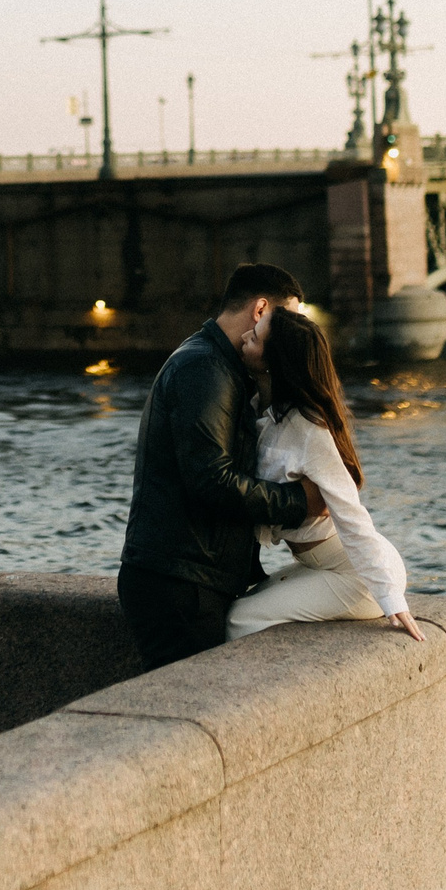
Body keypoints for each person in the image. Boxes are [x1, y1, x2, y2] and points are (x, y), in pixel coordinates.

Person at [118, 263, 326, 667]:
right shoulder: (205, 369)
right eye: (290, 319)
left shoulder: (216, 364)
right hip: (181, 583)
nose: (291, 334)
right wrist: (300, 502)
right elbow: (211, 478)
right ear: (261, 310)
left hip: (187, 577)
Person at [226, 306, 423, 643]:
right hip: (320, 565)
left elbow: (351, 513)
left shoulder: (308, 427)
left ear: (275, 359)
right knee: (242, 602)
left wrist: (390, 599)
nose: (245, 336)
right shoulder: (264, 410)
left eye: (256, 337)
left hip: (355, 575)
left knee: (239, 619)